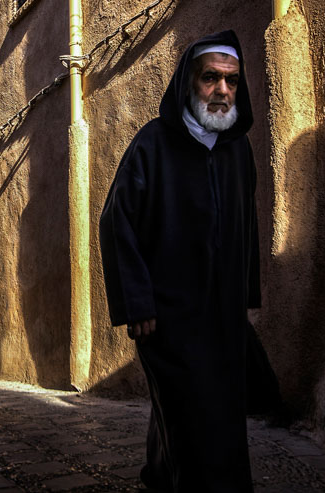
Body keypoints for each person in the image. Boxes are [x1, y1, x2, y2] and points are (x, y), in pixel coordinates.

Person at [99, 30, 260, 492]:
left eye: (231, 81)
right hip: (167, 318)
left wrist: (244, 297)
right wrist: (138, 303)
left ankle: (161, 479)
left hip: (222, 317)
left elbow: (245, 223)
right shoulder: (153, 143)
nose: (222, 91)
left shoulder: (236, 149)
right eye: (211, 78)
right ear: (189, 82)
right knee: (189, 413)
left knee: (218, 416)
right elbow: (117, 221)